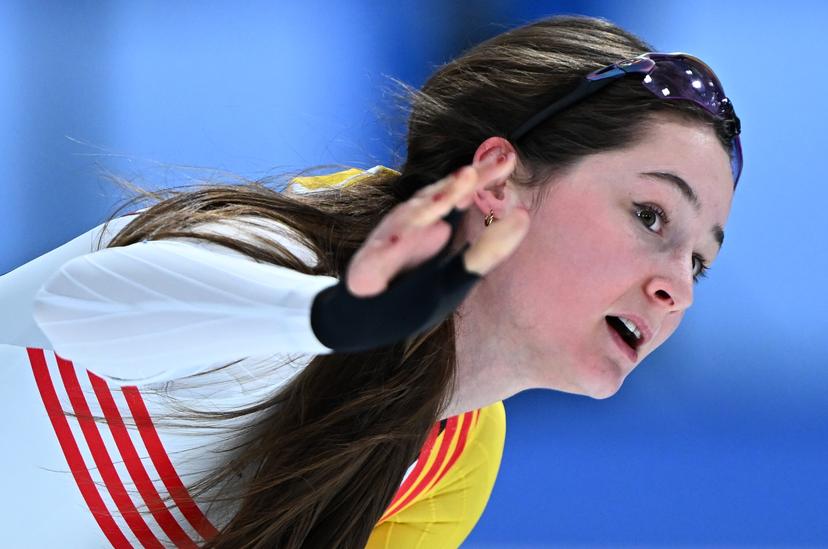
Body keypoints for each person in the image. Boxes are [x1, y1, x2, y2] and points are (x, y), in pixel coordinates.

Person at [0, 14, 742, 549]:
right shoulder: (298, 254)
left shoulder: (456, 457)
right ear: (498, 183)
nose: (677, 285)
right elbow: (72, 308)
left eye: (700, 261)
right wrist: (322, 317)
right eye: (650, 215)